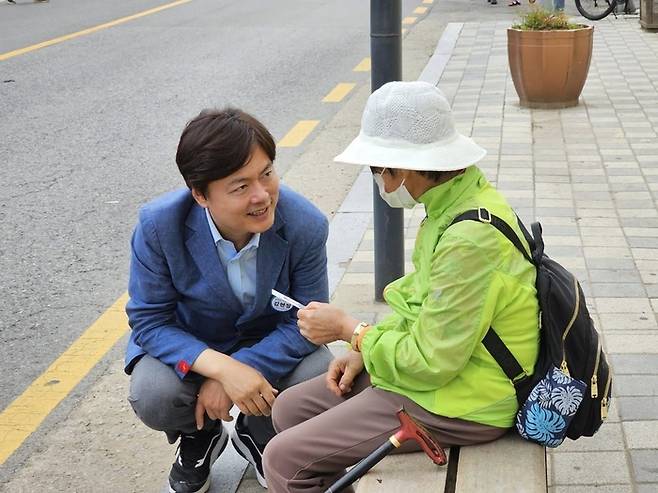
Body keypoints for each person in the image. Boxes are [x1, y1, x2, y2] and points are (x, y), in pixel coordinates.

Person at [262, 81, 540, 493]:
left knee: (283, 459)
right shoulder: (456, 204)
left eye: (378, 168)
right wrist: (365, 352)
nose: (379, 180)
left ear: (404, 165)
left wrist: (352, 332)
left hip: (466, 400)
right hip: (455, 374)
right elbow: (425, 312)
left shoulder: (466, 239)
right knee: (289, 407)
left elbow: (430, 360)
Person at [125, 108, 332, 493]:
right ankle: (199, 436)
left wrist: (241, 368)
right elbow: (150, 322)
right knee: (153, 394)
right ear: (200, 194)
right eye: (240, 187)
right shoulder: (158, 226)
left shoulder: (305, 224)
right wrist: (219, 369)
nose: (262, 196)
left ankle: (259, 430)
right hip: (194, 342)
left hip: (267, 344)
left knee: (320, 377)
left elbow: (308, 322)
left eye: (267, 173)